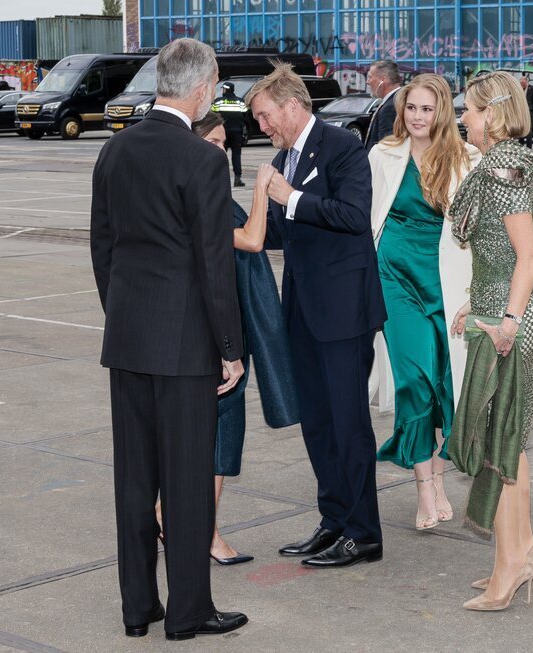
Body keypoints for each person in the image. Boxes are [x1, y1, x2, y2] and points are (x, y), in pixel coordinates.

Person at [90, 38, 248, 641]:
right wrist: (229, 347)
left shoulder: (115, 150)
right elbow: (215, 264)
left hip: (128, 341)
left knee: (134, 481)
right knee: (186, 483)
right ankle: (188, 612)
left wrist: (124, 314)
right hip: (184, 348)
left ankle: (138, 608)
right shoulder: (201, 159)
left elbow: (103, 249)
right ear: (204, 85)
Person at [247, 63, 387, 568]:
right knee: (318, 422)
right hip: (303, 309)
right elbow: (287, 234)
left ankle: (364, 532)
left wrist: (291, 197)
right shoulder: (286, 156)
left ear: (291, 106)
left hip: (344, 311)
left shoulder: (343, 146)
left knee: (348, 423)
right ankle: (334, 519)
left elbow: (353, 217)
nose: (261, 127)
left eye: (264, 116)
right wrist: (257, 209)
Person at [154, 111, 300, 566]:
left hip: (227, 332)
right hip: (215, 338)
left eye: (222, 141)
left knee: (219, 437)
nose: (219, 148)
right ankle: (201, 531)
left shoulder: (206, 192)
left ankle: (185, 522)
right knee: (215, 437)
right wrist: (260, 189)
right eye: (211, 141)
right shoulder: (200, 199)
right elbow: (253, 240)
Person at [449, 70, 533, 611]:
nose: (464, 117)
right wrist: (478, 299)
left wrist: (507, 319)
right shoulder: (494, 166)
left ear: (493, 114)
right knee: (509, 439)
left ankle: (510, 564)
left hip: (513, 320)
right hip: (497, 309)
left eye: (470, 109)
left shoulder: (503, 171)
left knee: (504, 439)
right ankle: (522, 549)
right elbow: (498, 254)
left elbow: (528, 257)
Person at [368, 73, 479, 531]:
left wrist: (475, 295)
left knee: (440, 382)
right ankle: (424, 486)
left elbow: (479, 233)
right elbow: (364, 217)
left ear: (442, 113)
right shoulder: (382, 154)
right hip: (393, 277)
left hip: (445, 281)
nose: (417, 117)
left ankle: (435, 473)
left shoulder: (466, 158)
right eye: (411, 108)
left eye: (427, 109)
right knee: (412, 379)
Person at [210, 81, 247, 187]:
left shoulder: (218, 101)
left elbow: (213, 114)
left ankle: (220, 178)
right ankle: (237, 178)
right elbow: (245, 115)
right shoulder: (240, 102)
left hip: (223, 132)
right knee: (236, 155)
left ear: (225, 90)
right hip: (237, 132)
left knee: (221, 155)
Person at [364, 60, 402, 150]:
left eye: (370, 77)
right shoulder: (398, 98)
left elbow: (386, 145)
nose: (367, 82)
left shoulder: (390, 106)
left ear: (383, 79)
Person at [518, 77, 533, 149]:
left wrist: (530, 108)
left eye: (523, 83)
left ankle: (529, 148)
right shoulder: (519, 90)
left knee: (528, 131)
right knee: (521, 131)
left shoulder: (532, 89)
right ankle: (521, 147)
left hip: (529, 113)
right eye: (520, 83)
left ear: (527, 82)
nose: (521, 85)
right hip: (521, 113)